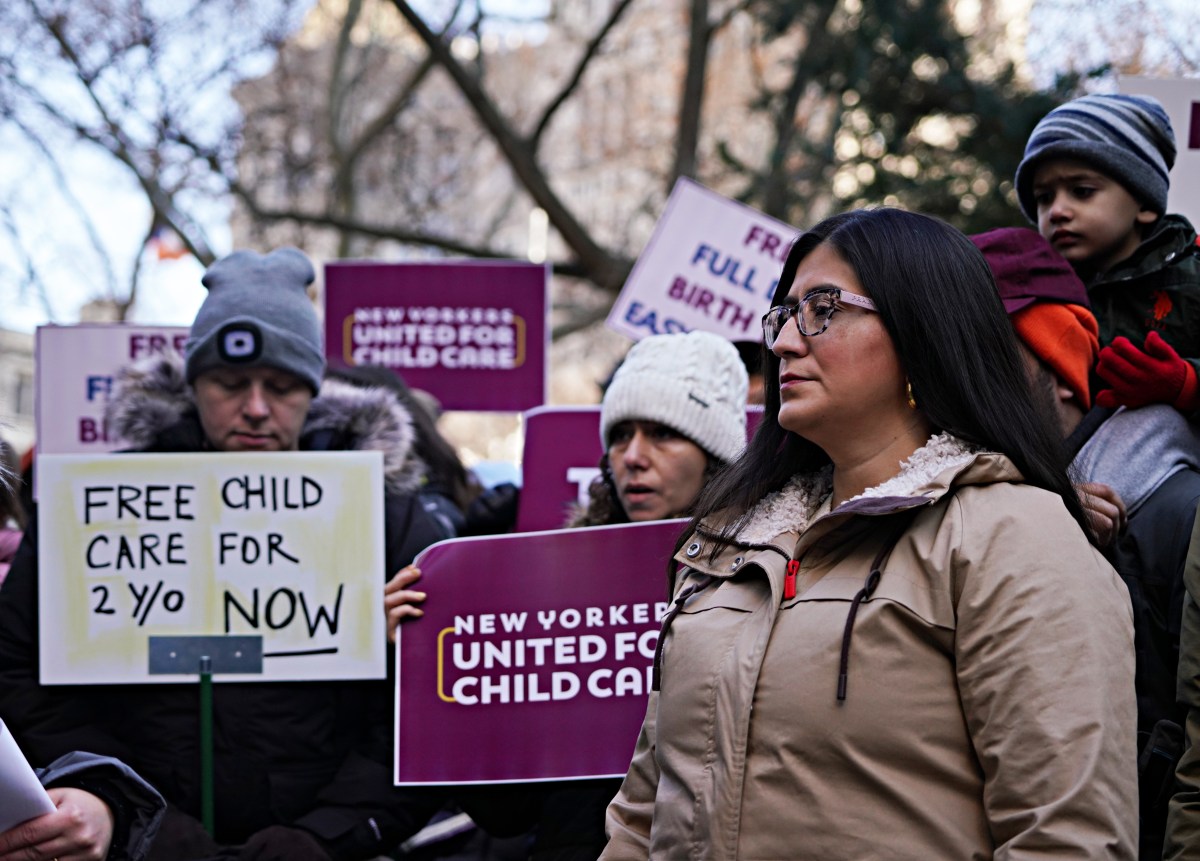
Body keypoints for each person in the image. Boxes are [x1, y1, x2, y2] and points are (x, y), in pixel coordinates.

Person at [602, 208, 1137, 859]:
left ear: (922, 330)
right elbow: (641, 815)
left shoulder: (1016, 537)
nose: (784, 341)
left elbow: (1067, 835)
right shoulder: (724, 545)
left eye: (823, 309)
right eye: (784, 314)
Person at [0, 248, 447, 861]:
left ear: (314, 390)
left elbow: (428, 701)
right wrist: (127, 808)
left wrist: (330, 834)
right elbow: (19, 668)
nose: (256, 408)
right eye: (231, 384)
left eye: (282, 387)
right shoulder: (97, 506)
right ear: (194, 385)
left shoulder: (385, 517)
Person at [387, 330, 749, 861]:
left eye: (663, 434)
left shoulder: (761, 580)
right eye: (620, 436)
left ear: (714, 456)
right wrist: (419, 662)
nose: (634, 456)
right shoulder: (562, 591)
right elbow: (505, 812)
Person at [972, 226, 1200, 860]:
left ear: (1063, 370)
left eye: (990, 354)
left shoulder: (1177, 512)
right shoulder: (944, 511)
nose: (964, 381)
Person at [1014, 92, 1200, 414]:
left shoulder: (1191, 278)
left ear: (1144, 204)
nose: (1056, 211)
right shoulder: (1037, 293)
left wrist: (1187, 384)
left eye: (1081, 191)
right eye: (1044, 197)